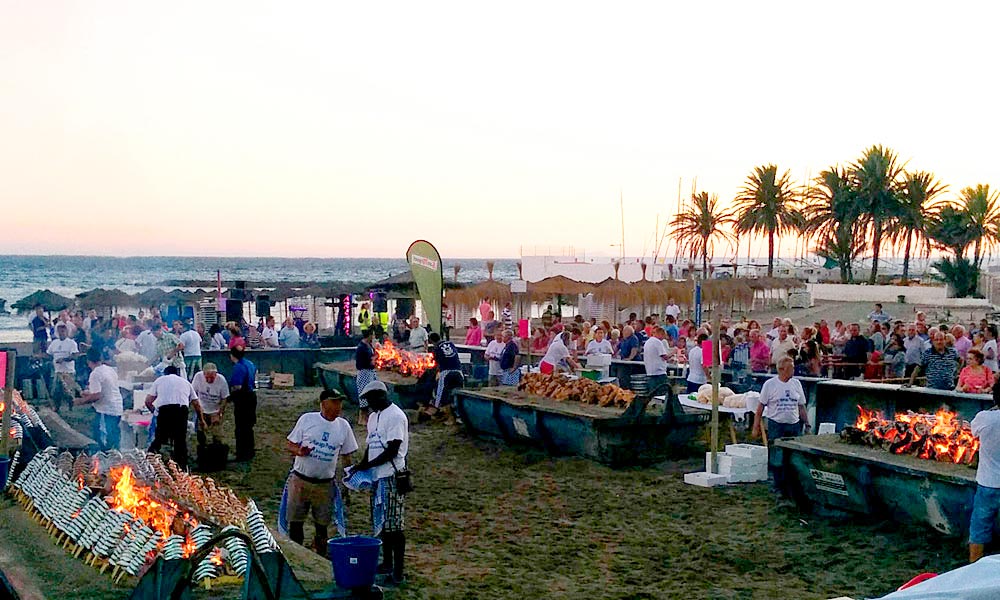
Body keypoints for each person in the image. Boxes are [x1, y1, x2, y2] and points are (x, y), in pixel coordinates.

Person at [285, 390, 358, 555]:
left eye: (339, 402)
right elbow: (290, 444)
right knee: (295, 522)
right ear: (323, 403)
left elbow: (347, 457)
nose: (338, 406)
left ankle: (320, 555)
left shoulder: (343, 426)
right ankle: (296, 555)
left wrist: (347, 482)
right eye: (334, 402)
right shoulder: (307, 419)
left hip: (325, 484)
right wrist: (300, 451)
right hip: (301, 480)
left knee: (322, 524)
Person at [353, 381, 409, 584]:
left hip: (392, 475)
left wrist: (368, 465)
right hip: (378, 475)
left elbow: (393, 450)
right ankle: (387, 563)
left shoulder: (395, 416)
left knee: (395, 525)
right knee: (383, 523)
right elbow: (372, 443)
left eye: (370, 400)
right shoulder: (374, 416)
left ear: (380, 396)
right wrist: (363, 464)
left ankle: (398, 571)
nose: (368, 405)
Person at [969, 383, 1000, 562]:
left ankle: (974, 567)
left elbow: (973, 433)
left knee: (979, 529)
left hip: (988, 483)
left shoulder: (984, 418)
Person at [146, 365, 198, 467]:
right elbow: (196, 403)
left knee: (160, 437)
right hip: (181, 411)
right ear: (177, 373)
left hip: (165, 410)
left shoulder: (160, 380)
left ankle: (150, 460)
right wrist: (201, 419)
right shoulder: (185, 382)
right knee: (180, 439)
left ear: (165, 373)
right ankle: (182, 466)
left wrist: (155, 412)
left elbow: (148, 401)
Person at [75, 348, 123, 451]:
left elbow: (97, 395)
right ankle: (116, 459)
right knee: (114, 437)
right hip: (117, 407)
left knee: (103, 440)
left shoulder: (95, 374)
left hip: (106, 410)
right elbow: (105, 389)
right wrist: (88, 393)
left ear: (88, 361)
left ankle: (105, 460)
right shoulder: (109, 369)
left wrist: (81, 401)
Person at [753, 356, 809, 441]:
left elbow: (801, 406)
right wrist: (756, 427)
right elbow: (760, 407)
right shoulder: (769, 384)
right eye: (791, 368)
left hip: (794, 425)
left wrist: (807, 423)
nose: (793, 370)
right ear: (782, 369)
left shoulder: (796, 384)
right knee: (776, 451)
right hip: (776, 425)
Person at [229, 346, 258, 460]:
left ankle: (242, 453)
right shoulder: (250, 363)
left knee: (241, 426)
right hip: (251, 396)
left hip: (243, 398)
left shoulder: (238, 367)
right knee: (249, 426)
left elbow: (237, 386)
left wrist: (230, 396)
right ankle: (250, 451)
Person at [191, 362, 229, 448]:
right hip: (202, 408)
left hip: (215, 409)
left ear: (216, 375)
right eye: (207, 377)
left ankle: (216, 447)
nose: (209, 380)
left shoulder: (221, 380)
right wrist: (198, 410)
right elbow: (193, 394)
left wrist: (220, 413)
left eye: (212, 378)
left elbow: (224, 398)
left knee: (216, 431)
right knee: (200, 430)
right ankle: (202, 446)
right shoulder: (198, 377)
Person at [48, 323, 81, 412]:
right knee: (56, 391)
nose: (61, 333)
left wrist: (64, 359)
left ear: (66, 332)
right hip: (57, 371)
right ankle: (57, 408)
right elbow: (49, 354)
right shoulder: (54, 343)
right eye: (59, 331)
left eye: (63, 331)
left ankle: (71, 408)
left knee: (69, 392)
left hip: (68, 371)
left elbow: (75, 356)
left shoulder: (71, 343)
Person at [429, 332, 464, 413]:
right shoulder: (450, 343)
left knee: (440, 390)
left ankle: (436, 407)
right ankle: (460, 412)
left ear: (432, 341)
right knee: (460, 391)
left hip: (446, 371)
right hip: (458, 371)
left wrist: (436, 373)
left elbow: (437, 364)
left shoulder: (437, 348)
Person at [642, 326, 673, 400]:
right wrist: (673, 352)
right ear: (660, 334)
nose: (663, 339)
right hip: (659, 373)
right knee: (662, 395)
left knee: (653, 395)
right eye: (663, 336)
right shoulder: (657, 342)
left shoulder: (648, 342)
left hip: (650, 372)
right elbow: (664, 356)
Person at [355, 328, 378, 426]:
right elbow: (361, 363)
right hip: (364, 373)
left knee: (371, 394)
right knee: (364, 396)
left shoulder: (368, 346)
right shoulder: (362, 348)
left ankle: (367, 417)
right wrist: (372, 361)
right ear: (369, 335)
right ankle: (362, 418)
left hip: (370, 372)